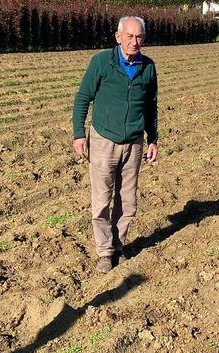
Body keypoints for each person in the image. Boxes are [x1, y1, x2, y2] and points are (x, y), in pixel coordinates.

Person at [72, 16, 159, 273]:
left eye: (139, 37)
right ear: (118, 37)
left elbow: (150, 106)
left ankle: (119, 246)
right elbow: (82, 98)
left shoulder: (148, 67)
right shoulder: (102, 62)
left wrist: (153, 138)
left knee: (128, 201)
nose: (135, 42)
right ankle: (104, 252)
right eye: (130, 36)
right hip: (103, 141)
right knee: (101, 200)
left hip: (134, 143)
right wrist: (79, 134)